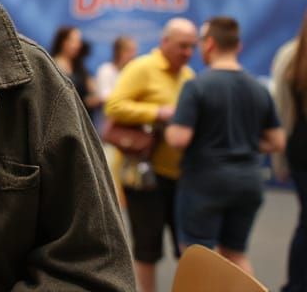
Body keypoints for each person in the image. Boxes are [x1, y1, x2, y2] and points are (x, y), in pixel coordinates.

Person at [164, 17, 285, 276]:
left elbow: (178, 139)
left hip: (204, 182)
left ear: (208, 44)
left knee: (196, 256)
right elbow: (277, 141)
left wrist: (166, 124)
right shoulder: (258, 88)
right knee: (235, 254)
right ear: (238, 46)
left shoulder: (196, 86)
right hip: (248, 181)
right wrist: (244, 141)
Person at [106, 17, 198, 292]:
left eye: (192, 46)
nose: (188, 52)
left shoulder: (188, 75)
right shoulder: (141, 67)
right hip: (145, 175)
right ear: (165, 42)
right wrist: (158, 112)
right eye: (182, 45)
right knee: (147, 248)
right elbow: (114, 106)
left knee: (188, 248)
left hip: (181, 175)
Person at [273, 11, 307, 292]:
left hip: (299, 149)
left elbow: (282, 113)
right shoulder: (291, 55)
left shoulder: (290, 55)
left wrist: (280, 160)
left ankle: (295, 284)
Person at [51, 26, 100, 119]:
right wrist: (85, 102)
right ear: (63, 42)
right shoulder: (53, 64)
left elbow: (92, 89)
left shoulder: (80, 66)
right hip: (64, 118)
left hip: (83, 118)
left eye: (79, 41)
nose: (78, 45)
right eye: (74, 41)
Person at [97, 36, 138, 101]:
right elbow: (105, 97)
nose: (133, 55)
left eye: (134, 51)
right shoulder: (106, 70)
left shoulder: (135, 71)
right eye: (129, 51)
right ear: (118, 52)